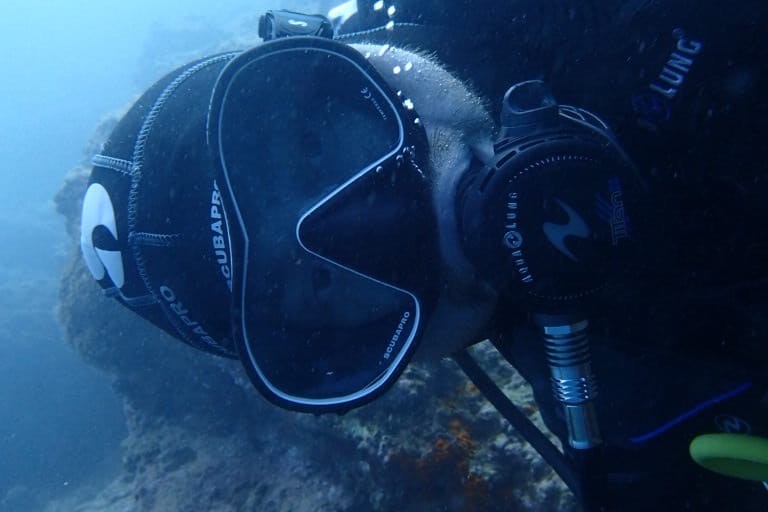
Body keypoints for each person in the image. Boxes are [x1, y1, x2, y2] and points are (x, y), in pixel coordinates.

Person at [78, 2, 768, 510]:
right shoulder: (645, 432)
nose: (395, 221)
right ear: (350, 351)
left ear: (337, 53)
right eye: (322, 282)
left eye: (315, 150)